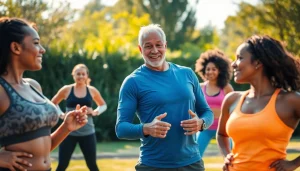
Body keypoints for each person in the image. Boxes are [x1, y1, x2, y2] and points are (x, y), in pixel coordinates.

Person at [115, 24, 214, 171]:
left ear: (165, 46)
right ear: (140, 49)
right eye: (148, 46)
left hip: (192, 163)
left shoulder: (187, 74)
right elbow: (121, 128)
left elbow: (207, 112)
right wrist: (146, 128)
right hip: (153, 165)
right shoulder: (133, 82)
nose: (154, 51)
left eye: (158, 45)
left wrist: (201, 123)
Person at [0, 17, 88, 171]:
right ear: (16, 47)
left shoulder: (33, 86)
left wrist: (66, 127)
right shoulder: (1, 89)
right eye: (35, 43)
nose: (42, 49)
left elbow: (42, 148)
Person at [217, 35, 300, 171]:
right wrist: (226, 155)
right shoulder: (232, 100)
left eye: (240, 58)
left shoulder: (289, 100)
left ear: (257, 63)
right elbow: (221, 135)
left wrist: (294, 163)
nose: (233, 64)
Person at [51, 63, 107, 171]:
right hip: (67, 133)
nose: (81, 76)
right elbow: (53, 103)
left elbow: (103, 105)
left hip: (88, 133)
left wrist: (95, 112)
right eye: (78, 74)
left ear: (87, 76)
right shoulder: (66, 89)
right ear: (73, 75)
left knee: (92, 165)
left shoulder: (92, 90)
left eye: (83, 74)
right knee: (62, 165)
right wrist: (61, 114)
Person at [195, 49, 233, 157]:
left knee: (231, 157)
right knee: (195, 156)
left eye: (213, 69)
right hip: (205, 128)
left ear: (220, 71)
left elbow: (234, 109)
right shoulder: (200, 87)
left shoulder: (226, 88)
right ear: (203, 70)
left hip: (223, 129)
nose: (210, 72)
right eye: (207, 69)